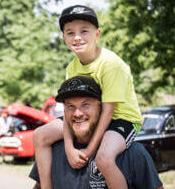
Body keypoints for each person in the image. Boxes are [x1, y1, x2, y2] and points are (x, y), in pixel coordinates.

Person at [33, 5, 143, 189]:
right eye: (70, 33)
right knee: (39, 136)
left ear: (97, 34)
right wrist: (69, 148)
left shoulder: (111, 64)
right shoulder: (72, 67)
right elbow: (69, 107)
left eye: (84, 31)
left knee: (104, 158)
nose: (77, 37)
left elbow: (108, 111)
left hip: (122, 119)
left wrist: (88, 150)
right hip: (90, 114)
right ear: (64, 37)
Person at [30, 76, 163, 189]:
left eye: (85, 105)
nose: (77, 113)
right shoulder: (53, 151)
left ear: (101, 108)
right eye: (70, 106)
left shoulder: (132, 153)